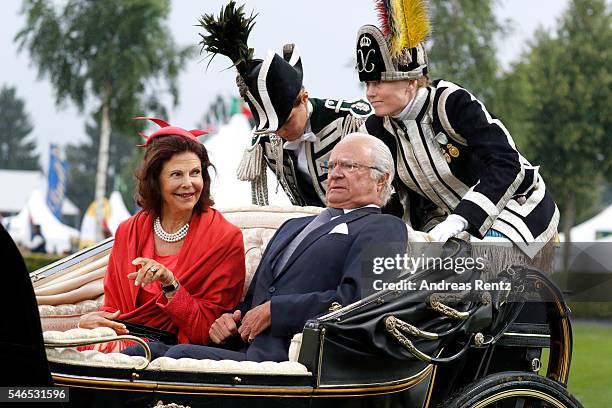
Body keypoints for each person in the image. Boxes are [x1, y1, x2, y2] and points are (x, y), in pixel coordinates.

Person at [155, 133, 409, 362]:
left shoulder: (385, 227)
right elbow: (256, 299)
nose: (335, 173)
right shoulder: (292, 226)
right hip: (244, 346)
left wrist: (276, 312)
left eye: (349, 166)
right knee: (143, 351)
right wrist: (230, 319)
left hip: (294, 356)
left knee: (177, 357)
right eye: (330, 165)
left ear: (381, 179)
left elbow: (360, 301)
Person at [355, 0, 558, 260]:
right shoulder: (376, 129)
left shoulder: (451, 102)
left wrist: (461, 219)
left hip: (515, 208)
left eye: (378, 83)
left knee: (487, 269)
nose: (370, 93)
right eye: (367, 84)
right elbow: (394, 200)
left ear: (410, 82)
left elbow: (507, 165)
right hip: (451, 224)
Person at [79, 118, 246, 356]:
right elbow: (114, 311)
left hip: (178, 352)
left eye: (195, 173)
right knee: (72, 346)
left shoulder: (225, 238)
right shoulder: (128, 230)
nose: (189, 184)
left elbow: (208, 331)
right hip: (124, 341)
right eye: (177, 174)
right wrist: (92, 323)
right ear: (155, 180)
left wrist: (171, 284)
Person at [198, 1, 372, 207]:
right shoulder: (266, 142)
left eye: (286, 121)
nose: (280, 132)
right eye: (274, 127)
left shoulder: (347, 121)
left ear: (304, 97)